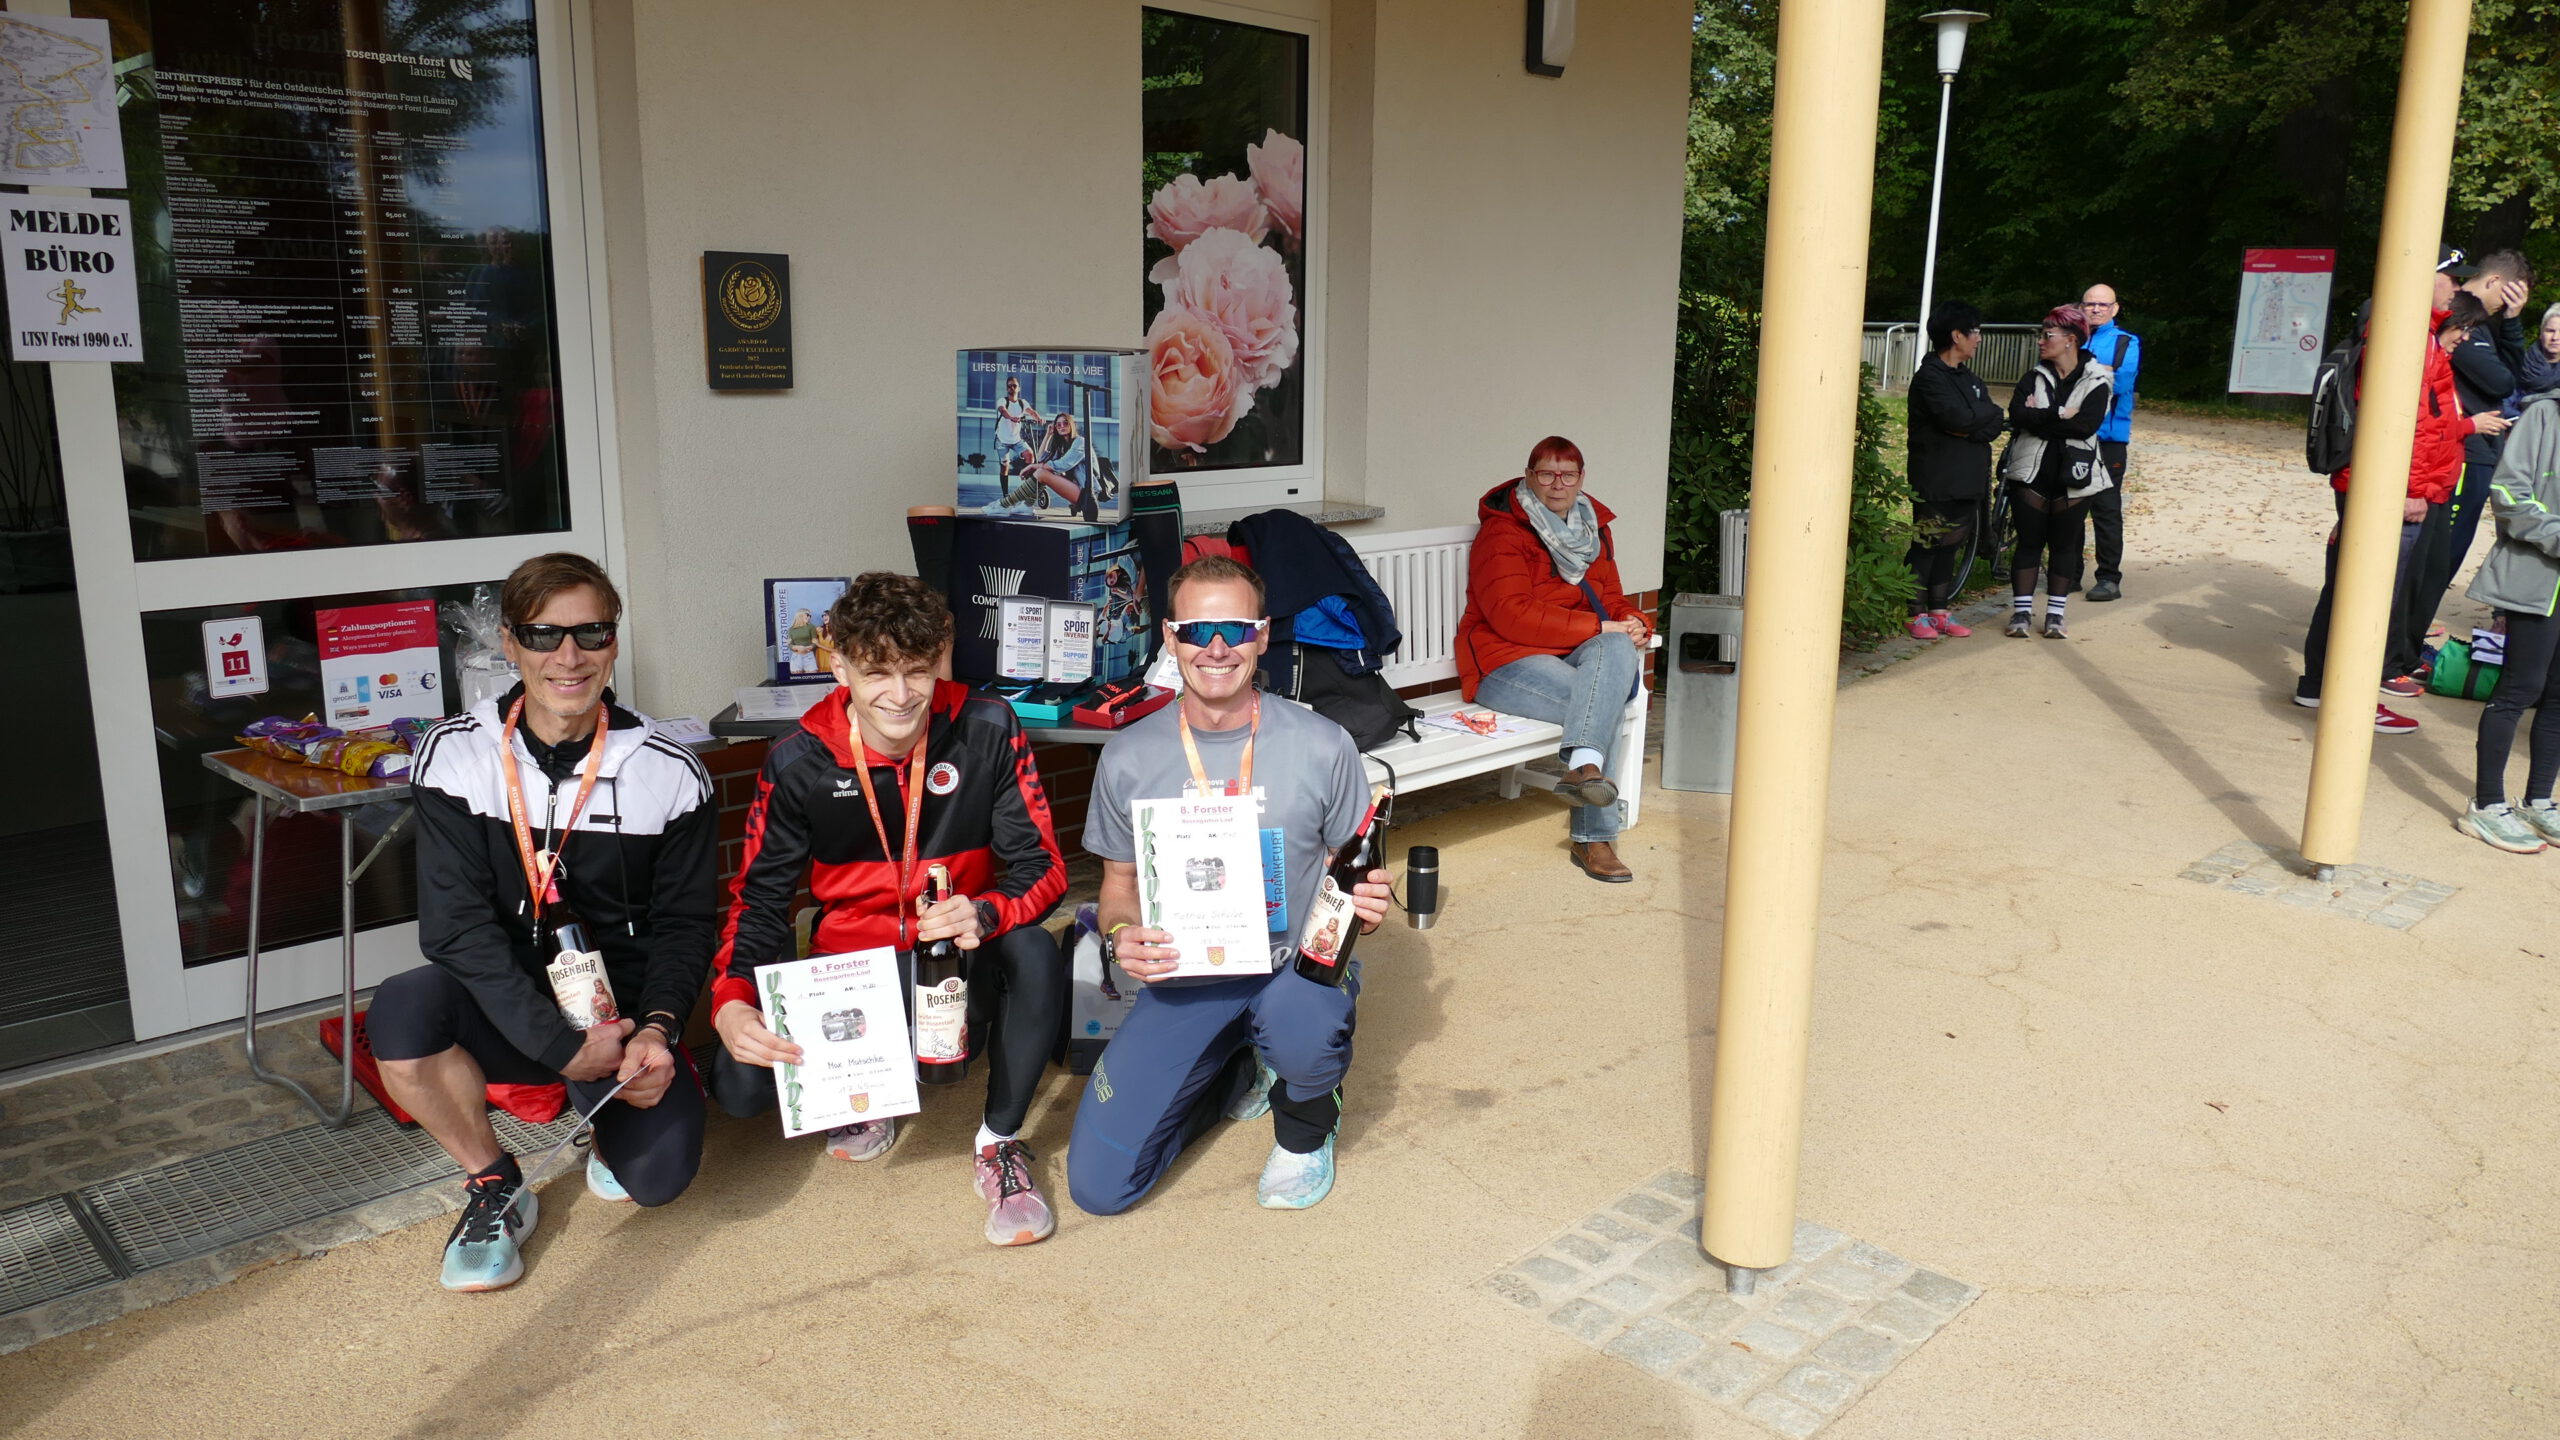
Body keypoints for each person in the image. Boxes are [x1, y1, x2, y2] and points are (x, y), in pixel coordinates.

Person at [371, 552, 718, 1292]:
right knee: (403, 1010)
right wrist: (559, 1048)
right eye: (542, 635)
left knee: (658, 1180)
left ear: (614, 641)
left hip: (620, 1022)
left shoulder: (669, 769)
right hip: (511, 1011)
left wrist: (656, 1032)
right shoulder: (455, 753)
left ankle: (611, 1123)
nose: (569, 656)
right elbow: (456, 928)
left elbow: (686, 925)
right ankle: (493, 1181)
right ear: (510, 642)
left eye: (591, 633)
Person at [708, 572, 1072, 1247]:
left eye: (917, 670)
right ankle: (873, 1089)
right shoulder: (798, 760)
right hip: (853, 970)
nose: (901, 695)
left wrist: (984, 913)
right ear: (839, 666)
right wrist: (730, 1000)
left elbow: (1044, 869)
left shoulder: (988, 726)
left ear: (940, 659)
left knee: (1033, 949)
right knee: (739, 1086)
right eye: (877, 672)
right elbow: (758, 901)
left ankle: (998, 1142)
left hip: (954, 958)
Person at [1066, 555, 1392, 1215]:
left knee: (1302, 1021)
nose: (1216, 649)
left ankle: (1305, 1128)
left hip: (1293, 969)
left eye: (1237, 630)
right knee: (1099, 1188)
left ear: (1263, 636)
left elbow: (1351, 869)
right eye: (1196, 631)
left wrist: (1367, 902)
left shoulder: (1324, 745)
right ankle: (1238, 1063)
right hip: (1188, 974)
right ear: (1170, 637)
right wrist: (1121, 934)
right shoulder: (1127, 756)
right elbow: (1119, 885)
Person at [2295, 294, 2503, 730]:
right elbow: (2418, 431)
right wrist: (2415, 492)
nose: (2465, 339)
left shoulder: (2404, 342)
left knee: (2345, 589)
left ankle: (2318, 684)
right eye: (2463, 329)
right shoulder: (2412, 346)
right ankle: (2355, 700)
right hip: (2395, 494)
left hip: (2374, 488)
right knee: (2373, 598)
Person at [1453, 436, 1652, 882]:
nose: (1557, 484)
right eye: (1546, 474)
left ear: (1581, 479)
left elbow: (1611, 598)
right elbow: (1511, 616)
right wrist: (1600, 627)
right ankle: (1594, 836)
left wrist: (1633, 621)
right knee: (1602, 706)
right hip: (1505, 661)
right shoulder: (1502, 533)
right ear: (1529, 476)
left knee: (1617, 648)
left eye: (1567, 474)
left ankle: (1584, 769)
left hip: (1573, 653)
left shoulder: (1593, 528)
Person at [2410, 249, 2537, 687]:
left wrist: (2511, 323)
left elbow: (2513, 380)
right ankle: (2404, 649)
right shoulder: (2464, 319)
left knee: (2441, 555)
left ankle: (2408, 642)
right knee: (2436, 557)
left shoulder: (2482, 323)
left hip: (2469, 450)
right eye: (2509, 298)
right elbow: (2503, 382)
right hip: (2461, 453)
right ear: (2498, 283)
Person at [2457, 370, 2560, 852]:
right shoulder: (2543, 414)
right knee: (2521, 688)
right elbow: (2509, 495)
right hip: (2535, 579)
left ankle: (2539, 801)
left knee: (2559, 695)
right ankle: (2486, 805)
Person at [2002, 306, 2115, 639]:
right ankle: (2021, 614)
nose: (2041, 341)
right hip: (2031, 472)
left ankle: (2055, 616)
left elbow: (2086, 426)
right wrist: (2062, 413)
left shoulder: (2097, 380)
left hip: (2077, 475)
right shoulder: (2033, 376)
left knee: (2064, 546)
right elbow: (2017, 415)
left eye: (2047, 334)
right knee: (2029, 543)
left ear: (2070, 340)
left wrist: (2040, 419)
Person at [1904, 300, 2007, 638]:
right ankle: (1914, 612)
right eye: (1974, 332)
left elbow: (1993, 420)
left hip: (1968, 477)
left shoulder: (1971, 379)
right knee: (1928, 542)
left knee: (1951, 544)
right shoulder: (1929, 377)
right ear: (1956, 335)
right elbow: (1956, 418)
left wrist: (1975, 421)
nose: (1979, 338)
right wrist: (1975, 420)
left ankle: (1939, 610)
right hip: (1935, 476)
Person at [2079, 284, 2141, 602]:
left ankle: (2108, 578)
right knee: (2069, 507)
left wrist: (2079, 371)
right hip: (2073, 435)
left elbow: (2121, 383)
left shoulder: (2125, 342)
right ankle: (2067, 573)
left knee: (2105, 509)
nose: (2096, 309)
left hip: (2109, 438)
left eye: (2103, 305)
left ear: (2115, 309)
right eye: (2090, 304)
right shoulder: (2072, 336)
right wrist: (2102, 371)